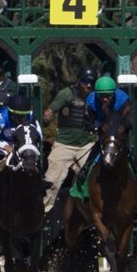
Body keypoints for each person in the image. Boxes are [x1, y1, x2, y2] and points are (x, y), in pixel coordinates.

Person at [41, 65, 97, 215]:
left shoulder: (96, 97)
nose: (89, 85)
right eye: (86, 82)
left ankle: (92, 212)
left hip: (87, 145)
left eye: (92, 82)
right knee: (51, 181)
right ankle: (41, 213)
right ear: (79, 81)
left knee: (94, 177)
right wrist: (47, 117)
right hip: (64, 145)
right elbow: (50, 111)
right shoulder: (66, 94)